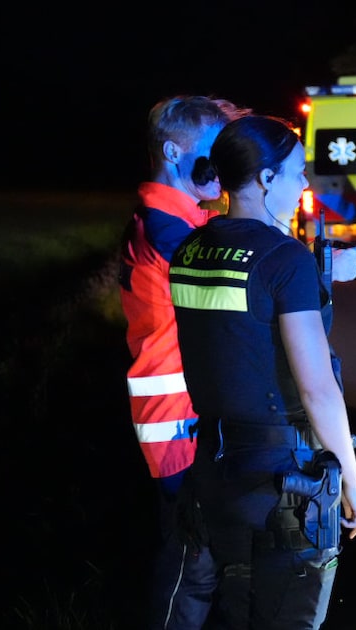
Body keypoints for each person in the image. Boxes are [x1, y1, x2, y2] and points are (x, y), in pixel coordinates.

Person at [119, 96, 356, 630]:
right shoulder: (278, 257)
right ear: (266, 177)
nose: (305, 185)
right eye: (298, 174)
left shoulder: (189, 247)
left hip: (212, 461)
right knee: (279, 613)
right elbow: (318, 389)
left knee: (216, 597)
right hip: (271, 471)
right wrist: (353, 482)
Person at [119, 95, 248, 630]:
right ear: (174, 152)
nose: (221, 166)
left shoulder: (187, 217)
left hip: (192, 413)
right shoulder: (162, 224)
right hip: (173, 418)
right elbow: (223, 269)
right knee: (189, 564)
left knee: (207, 559)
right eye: (213, 152)